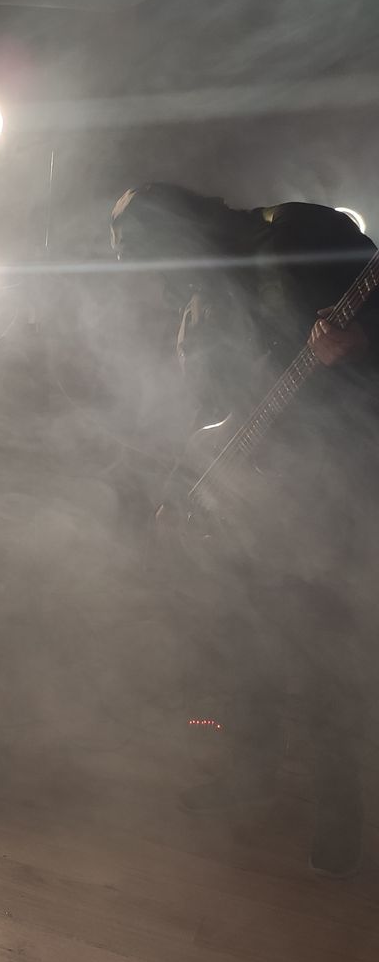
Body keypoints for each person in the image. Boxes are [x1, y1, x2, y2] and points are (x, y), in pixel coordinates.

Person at [111, 182, 377, 879]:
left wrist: (361, 339)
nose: (143, 275)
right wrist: (179, 490)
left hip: (326, 482)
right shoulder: (198, 309)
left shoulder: (297, 231)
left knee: (320, 648)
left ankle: (340, 806)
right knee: (245, 644)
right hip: (245, 497)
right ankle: (250, 775)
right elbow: (202, 418)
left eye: (140, 253)